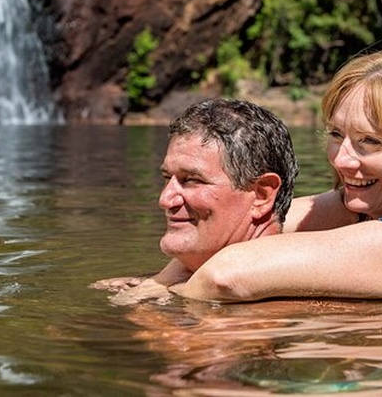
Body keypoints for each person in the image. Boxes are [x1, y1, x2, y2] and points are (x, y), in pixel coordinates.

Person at [171, 48, 382, 305]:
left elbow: (227, 274)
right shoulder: (364, 208)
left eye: (370, 141)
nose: (343, 160)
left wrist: (155, 304)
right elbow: (238, 226)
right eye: (336, 135)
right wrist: (155, 282)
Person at [92, 97, 299, 304]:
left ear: (261, 196)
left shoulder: (275, 309)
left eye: (191, 180)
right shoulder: (170, 284)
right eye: (167, 178)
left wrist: (149, 315)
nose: (165, 200)